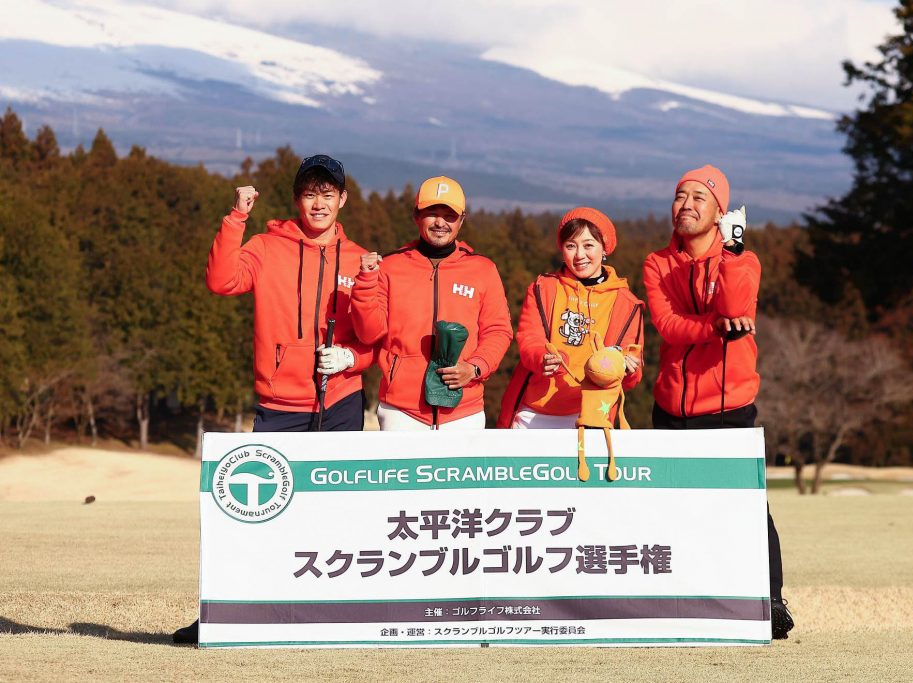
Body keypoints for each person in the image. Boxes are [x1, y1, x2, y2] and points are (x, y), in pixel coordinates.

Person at [173, 154, 373, 645]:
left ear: (343, 199)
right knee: (259, 516)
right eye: (310, 193)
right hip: (280, 402)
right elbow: (221, 281)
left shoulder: (360, 259)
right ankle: (228, 614)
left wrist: (352, 359)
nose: (319, 203)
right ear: (296, 199)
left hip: (341, 400)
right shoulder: (266, 246)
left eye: (328, 194)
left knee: (337, 514)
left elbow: (377, 337)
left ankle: (339, 615)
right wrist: (236, 217)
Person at [642, 164, 795, 639]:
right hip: (671, 407)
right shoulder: (656, 263)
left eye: (698, 198)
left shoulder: (744, 261)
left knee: (746, 508)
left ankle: (771, 600)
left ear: (720, 212)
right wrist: (713, 328)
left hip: (728, 407)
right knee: (674, 510)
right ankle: (682, 601)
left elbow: (736, 310)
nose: (685, 205)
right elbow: (669, 326)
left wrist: (732, 253)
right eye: (680, 195)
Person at [350, 176, 513, 430]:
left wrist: (474, 368)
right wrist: (366, 283)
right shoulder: (390, 266)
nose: (440, 223)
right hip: (401, 411)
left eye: (449, 216)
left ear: (461, 220)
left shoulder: (483, 269)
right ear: (416, 216)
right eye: (432, 213)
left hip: (464, 410)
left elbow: (498, 331)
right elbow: (368, 333)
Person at [498, 207, 644, 429]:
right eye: (570, 246)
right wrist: (542, 358)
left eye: (588, 245)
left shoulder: (627, 303)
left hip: (591, 415)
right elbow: (529, 339)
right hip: (533, 412)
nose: (579, 255)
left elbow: (632, 373)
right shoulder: (543, 288)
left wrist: (628, 370)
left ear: (604, 247)